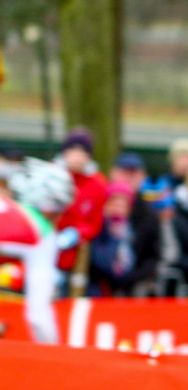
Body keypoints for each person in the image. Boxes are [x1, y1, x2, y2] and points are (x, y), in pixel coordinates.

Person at [1, 158, 74, 343]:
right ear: (49, 206)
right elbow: (38, 318)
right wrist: (53, 359)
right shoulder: (40, 231)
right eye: (60, 210)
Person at [88, 180, 161, 296]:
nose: (118, 209)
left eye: (123, 205)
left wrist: (133, 277)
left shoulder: (137, 228)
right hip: (102, 287)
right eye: (114, 204)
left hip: (132, 286)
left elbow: (151, 257)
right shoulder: (99, 228)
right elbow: (97, 259)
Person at [54, 128, 107, 285]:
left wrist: (78, 233)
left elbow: (95, 222)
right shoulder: (52, 176)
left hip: (79, 254)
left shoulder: (97, 184)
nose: (77, 156)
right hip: (49, 247)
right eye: (73, 150)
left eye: (82, 151)